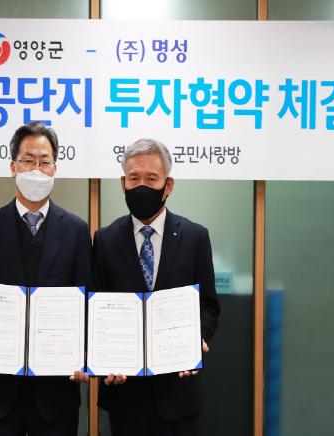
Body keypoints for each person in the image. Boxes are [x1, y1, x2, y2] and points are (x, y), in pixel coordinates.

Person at [0, 121, 91, 436]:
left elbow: (86, 301)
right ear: (13, 167)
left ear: (55, 168)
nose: (36, 169)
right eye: (28, 160)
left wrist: (84, 353)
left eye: (44, 162)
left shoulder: (76, 230)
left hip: (56, 390)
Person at [92, 138, 220, 436]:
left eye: (151, 179)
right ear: (123, 184)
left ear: (168, 185)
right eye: (134, 178)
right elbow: (96, 308)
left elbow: (209, 305)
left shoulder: (195, 237)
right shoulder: (105, 239)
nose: (142, 187)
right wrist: (103, 357)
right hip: (125, 394)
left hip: (178, 392)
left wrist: (196, 339)